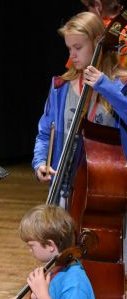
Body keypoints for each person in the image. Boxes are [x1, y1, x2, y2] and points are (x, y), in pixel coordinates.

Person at [33, 12, 127, 184]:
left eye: (78, 47)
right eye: (69, 49)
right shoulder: (60, 87)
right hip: (65, 187)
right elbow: (45, 133)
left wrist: (105, 87)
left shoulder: (121, 84)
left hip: (109, 185)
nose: (72, 56)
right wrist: (39, 162)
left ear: (97, 41)